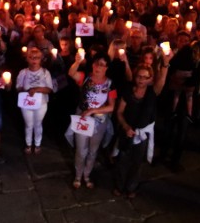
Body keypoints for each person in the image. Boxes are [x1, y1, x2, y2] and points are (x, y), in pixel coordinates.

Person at [114, 57, 170, 199]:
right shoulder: (128, 92)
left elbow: (162, 79)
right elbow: (119, 112)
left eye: (145, 77)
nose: (141, 80)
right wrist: (126, 126)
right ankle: (120, 186)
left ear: (150, 79)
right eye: (139, 76)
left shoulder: (152, 92)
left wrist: (165, 63)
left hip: (142, 134)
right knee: (122, 159)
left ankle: (131, 187)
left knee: (137, 163)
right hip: (127, 131)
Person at [68, 53, 116, 189]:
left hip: (99, 120)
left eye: (102, 65)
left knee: (93, 150)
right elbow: (72, 73)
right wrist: (77, 62)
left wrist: (93, 111)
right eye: (96, 64)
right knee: (81, 150)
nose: (98, 67)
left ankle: (87, 175)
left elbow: (111, 106)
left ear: (106, 68)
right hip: (83, 118)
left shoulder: (110, 84)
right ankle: (78, 176)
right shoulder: (85, 77)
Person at [15, 48, 55, 154]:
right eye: (31, 57)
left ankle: (37, 143)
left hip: (41, 103)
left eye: (36, 58)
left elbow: (49, 89)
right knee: (28, 124)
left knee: (38, 123)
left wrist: (37, 89)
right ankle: (28, 144)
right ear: (27, 59)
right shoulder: (23, 72)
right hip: (26, 102)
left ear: (40, 59)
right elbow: (18, 87)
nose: (34, 60)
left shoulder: (45, 73)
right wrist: (26, 90)